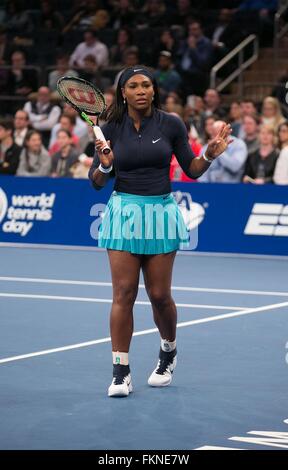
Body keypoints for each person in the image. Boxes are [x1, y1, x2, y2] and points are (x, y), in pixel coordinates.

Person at [88, 65, 232, 397]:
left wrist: (209, 154)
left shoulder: (171, 124)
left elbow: (192, 170)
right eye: (134, 86)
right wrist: (106, 164)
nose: (141, 90)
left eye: (146, 85)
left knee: (159, 296)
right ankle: (120, 372)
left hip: (161, 213)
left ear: (154, 90)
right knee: (123, 293)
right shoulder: (108, 128)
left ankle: (168, 351)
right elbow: (96, 183)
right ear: (123, 92)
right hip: (123, 211)